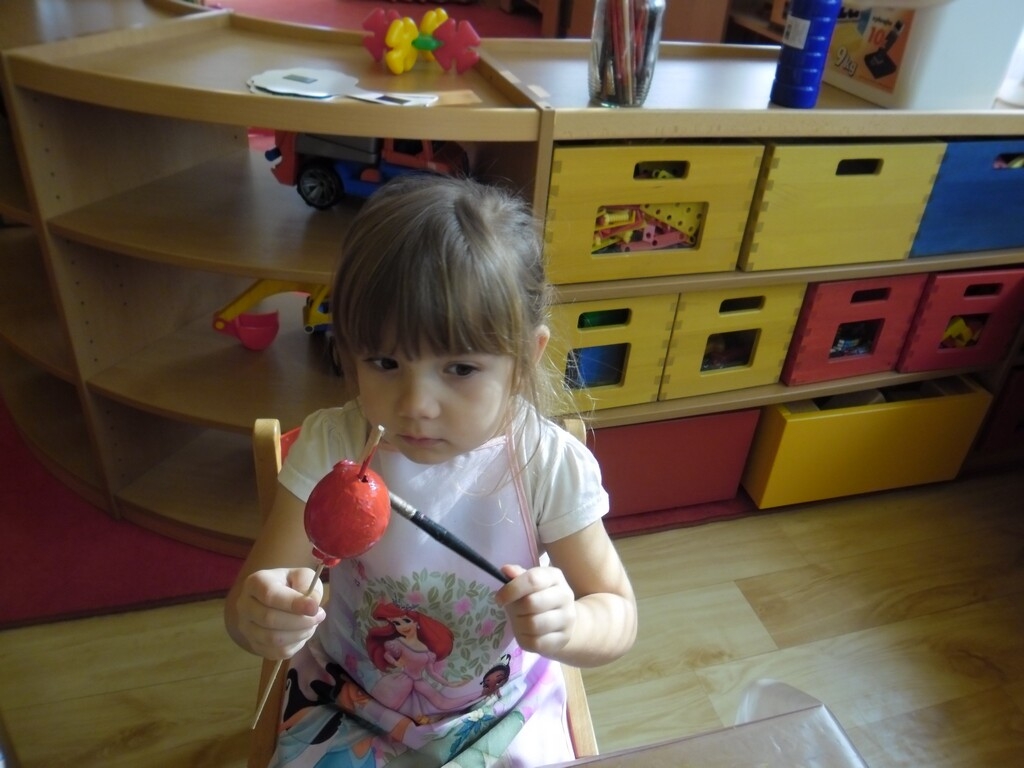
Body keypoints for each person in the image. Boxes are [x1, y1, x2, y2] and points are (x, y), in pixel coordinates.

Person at [225, 173, 637, 767]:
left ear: (525, 357)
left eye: (460, 369)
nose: (416, 404)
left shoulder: (544, 463)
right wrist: (260, 617)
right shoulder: (333, 445)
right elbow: (247, 605)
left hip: (500, 707)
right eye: (385, 362)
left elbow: (617, 612)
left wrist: (570, 624)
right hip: (346, 699)